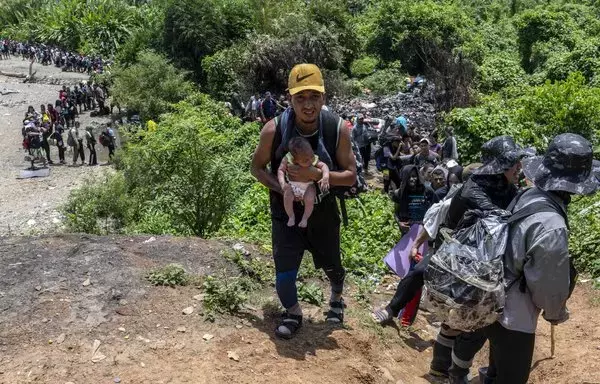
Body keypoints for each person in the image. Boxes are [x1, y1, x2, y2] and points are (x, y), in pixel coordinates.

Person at [371, 137, 526, 382]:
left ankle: (441, 370)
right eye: (514, 163)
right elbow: (498, 218)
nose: (519, 168)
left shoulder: (509, 188)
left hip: (481, 261)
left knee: (459, 322)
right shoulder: (475, 188)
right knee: (458, 315)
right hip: (453, 258)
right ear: (500, 165)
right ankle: (393, 310)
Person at [479, 134, 599, 384]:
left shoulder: (528, 195)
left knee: (496, 368)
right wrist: (556, 312)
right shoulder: (553, 226)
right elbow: (548, 284)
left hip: (490, 295)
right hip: (514, 316)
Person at [250, 63, 357, 339]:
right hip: (285, 213)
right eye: (300, 98)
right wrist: (283, 189)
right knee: (284, 269)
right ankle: (293, 312)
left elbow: (351, 176)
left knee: (332, 264)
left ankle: (335, 297)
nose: (307, 105)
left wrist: (315, 175)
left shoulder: (337, 128)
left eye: (314, 97)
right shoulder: (274, 130)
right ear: (290, 98)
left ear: (324, 97)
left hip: (323, 212)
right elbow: (257, 168)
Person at [278, 137, 330, 228]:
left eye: (311, 156)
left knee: (310, 197)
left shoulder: (311, 158)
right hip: (292, 185)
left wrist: (326, 176)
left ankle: (305, 218)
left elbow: (323, 165)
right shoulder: (288, 158)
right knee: (287, 195)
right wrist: (283, 184)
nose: (310, 161)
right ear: (295, 160)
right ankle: (291, 216)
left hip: (308, 185)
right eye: (306, 160)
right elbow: (281, 170)